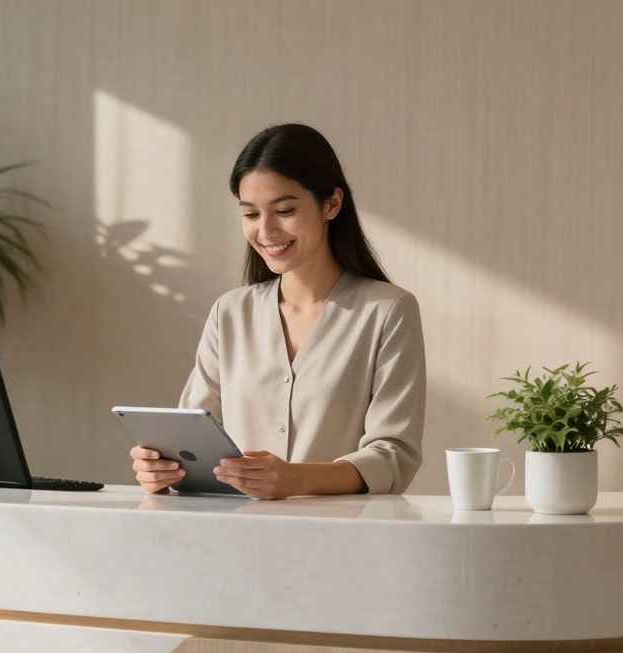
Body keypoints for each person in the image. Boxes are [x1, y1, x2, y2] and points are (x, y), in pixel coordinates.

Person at [130, 123, 426, 499]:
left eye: (284, 210)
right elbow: (192, 437)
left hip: (344, 538)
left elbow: (393, 456)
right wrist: (162, 468)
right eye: (251, 215)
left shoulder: (387, 311)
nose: (266, 231)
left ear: (332, 204)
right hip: (234, 537)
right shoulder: (230, 313)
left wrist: (294, 479)